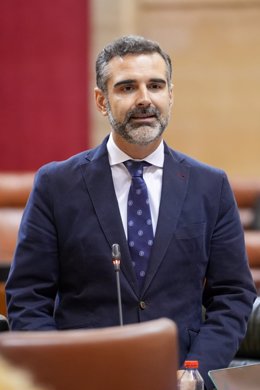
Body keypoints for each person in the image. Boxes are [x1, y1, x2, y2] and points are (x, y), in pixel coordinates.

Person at [5, 35, 256, 389]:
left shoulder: (210, 186)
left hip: (179, 378)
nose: (144, 99)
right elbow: (28, 296)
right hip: (83, 377)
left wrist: (195, 370)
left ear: (170, 95)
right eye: (126, 87)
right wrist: (58, 370)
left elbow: (232, 295)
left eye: (155, 85)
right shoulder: (56, 185)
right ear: (101, 101)